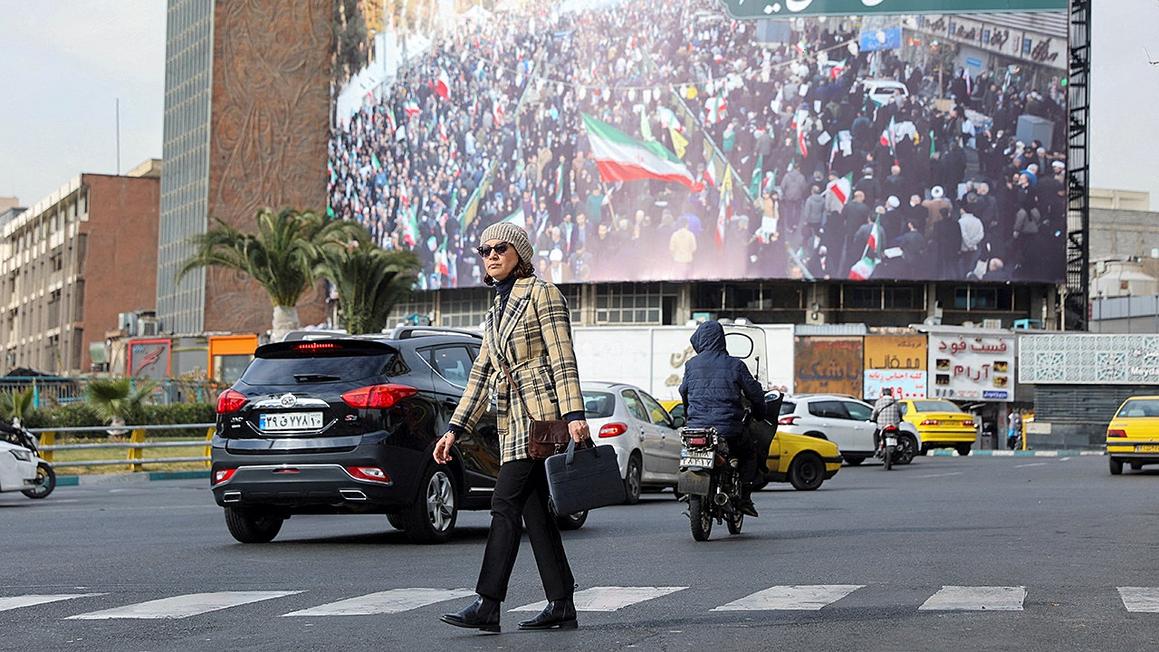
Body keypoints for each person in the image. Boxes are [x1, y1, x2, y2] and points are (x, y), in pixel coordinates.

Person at [436, 222, 590, 634]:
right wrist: (455, 428)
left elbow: (562, 357)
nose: (490, 255)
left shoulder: (543, 294)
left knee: (504, 503)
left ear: (519, 252)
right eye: (484, 250)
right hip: (511, 421)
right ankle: (562, 603)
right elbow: (481, 373)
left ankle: (488, 603)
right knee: (535, 514)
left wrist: (574, 415)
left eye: (499, 248)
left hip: (541, 418)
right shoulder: (495, 308)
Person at [679, 321, 766, 517]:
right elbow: (755, 393)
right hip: (729, 429)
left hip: (696, 430)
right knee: (749, 453)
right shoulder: (735, 365)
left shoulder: (691, 365)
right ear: (721, 340)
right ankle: (744, 497)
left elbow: (684, 392)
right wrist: (760, 412)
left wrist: (689, 417)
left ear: (700, 340)